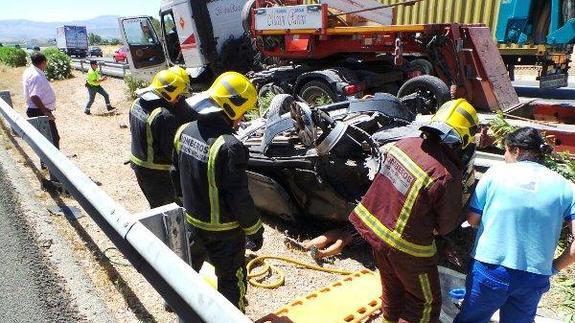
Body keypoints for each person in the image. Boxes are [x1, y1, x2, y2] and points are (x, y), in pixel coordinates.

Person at [348, 99, 479, 323]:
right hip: (408, 247)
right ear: (463, 139)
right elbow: (445, 226)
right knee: (425, 303)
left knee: (392, 289)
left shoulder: (404, 144)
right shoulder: (446, 174)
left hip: (375, 231)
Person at [454, 127, 575, 323]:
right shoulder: (566, 187)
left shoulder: (494, 175)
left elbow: (472, 220)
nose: (504, 156)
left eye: (506, 150)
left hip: (490, 270)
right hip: (534, 277)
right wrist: (553, 268)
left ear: (516, 151)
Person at [171, 71, 264, 312]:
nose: (243, 117)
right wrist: (255, 229)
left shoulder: (184, 130)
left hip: (192, 222)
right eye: (244, 110)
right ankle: (232, 316)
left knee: (189, 266)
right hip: (225, 234)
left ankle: (175, 304)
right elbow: (238, 197)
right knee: (231, 279)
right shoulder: (229, 146)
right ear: (232, 107)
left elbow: (175, 174)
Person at [129, 66, 196, 208]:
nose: (178, 100)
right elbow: (171, 152)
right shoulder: (163, 115)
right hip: (157, 172)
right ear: (167, 94)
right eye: (177, 96)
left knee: (155, 204)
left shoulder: (137, 103)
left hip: (138, 164)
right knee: (167, 209)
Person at [23, 52, 59, 149]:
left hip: (38, 110)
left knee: (46, 139)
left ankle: (47, 162)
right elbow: (34, 96)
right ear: (43, 62)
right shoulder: (36, 76)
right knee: (51, 138)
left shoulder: (31, 71)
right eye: (46, 63)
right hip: (39, 111)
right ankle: (53, 163)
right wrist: (45, 111)